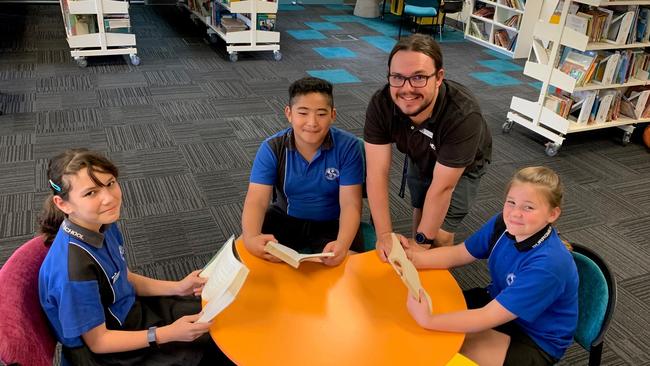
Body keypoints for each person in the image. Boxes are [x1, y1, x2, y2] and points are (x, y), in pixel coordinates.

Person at [38, 148, 232, 366]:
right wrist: (166, 334)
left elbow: (123, 277)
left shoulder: (101, 223)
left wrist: (178, 287)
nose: (109, 198)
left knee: (223, 320)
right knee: (210, 351)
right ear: (63, 204)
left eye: (110, 183)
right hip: (106, 349)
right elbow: (99, 342)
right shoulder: (73, 271)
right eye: (91, 193)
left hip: (129, 312)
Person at [404, 166, 578, 366]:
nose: (515, 213)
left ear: (553, 214)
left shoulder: (549, 265)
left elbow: (488, 316)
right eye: (511, 202)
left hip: (535, 338)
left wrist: (428, 320)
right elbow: (460, 253)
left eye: (528, 207)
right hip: (497, 302)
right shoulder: (502, 225)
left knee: (446, 346)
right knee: (422, 324)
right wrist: (412, 258)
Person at [364, 33, 492, 258]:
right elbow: (376, 173)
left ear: (439, 77)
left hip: (462, 167)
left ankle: (435, 278)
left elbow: (443, 188)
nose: (407, 89)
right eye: (397, 77)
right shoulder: (381, 103)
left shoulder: (463, 114)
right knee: (420, 211)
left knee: (439, 235)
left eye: (419, 77)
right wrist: (384, 235)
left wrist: (423, 243)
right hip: (419, 153)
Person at [242, 77, 364, 266]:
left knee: (349, 268)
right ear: (289, 113)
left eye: (321, 114)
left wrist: (342, 243)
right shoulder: (272, 148)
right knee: (248, 255)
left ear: (333, 115)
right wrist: (250, 238)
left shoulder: (348, 147)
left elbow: (350, 203)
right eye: (303, 113)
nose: (312, 122)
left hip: (332, 223)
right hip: (285, 219)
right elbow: (256, 200)